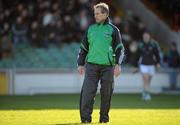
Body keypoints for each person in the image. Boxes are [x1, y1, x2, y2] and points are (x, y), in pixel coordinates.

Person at [77, 3, 124, 123]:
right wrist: (80, 63)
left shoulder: (113, 30)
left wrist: (118, 64)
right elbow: (83, 48)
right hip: (91, 66)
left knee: (106, 94)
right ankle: (86, 120)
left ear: (105, 14)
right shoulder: (90, 29)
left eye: (98, 13)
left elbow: (120, 48)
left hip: (108, 67)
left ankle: (104, 119)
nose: (95, 16)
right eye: (94, 13)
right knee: (87, 93)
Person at [137, 31, 161, 101]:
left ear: (149, 36)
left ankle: (144, 92)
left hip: (151, 65)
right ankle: (147, 95)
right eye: (144, 36)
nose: (146, 37)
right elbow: (137, 55)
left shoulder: (154, 44)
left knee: (148, 81)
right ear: (143, 37)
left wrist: (158, 63)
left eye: (147, 36)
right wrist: (135, 65)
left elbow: (157, 54)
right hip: (143, 65)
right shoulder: (141, 44)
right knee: (146, 79)